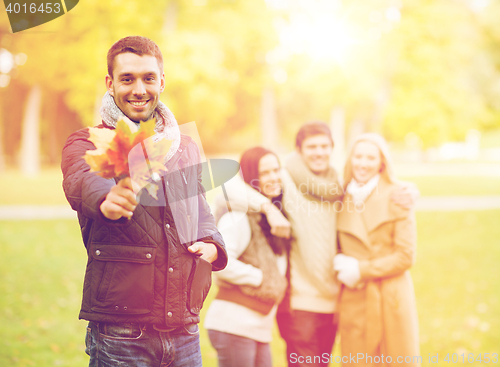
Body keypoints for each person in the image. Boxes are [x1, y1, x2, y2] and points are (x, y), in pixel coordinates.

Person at [61, 36, 228, 367]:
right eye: (127, 78)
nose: (139, 89)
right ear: (110, 83)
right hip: (121, 334)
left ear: (161, 81)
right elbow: (81, 180)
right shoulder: (89, 140)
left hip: (184, 329)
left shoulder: (185, 147)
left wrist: (213, 244)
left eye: (148, 78)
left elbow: (201, 212)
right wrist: (107, 199)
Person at [223, 122, 416, 367]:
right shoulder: (286, 179)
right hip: (299, 305)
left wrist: (409, 190)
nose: (318, 152)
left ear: (333, 149)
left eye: (324, 146)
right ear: (299, 150)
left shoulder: (341, 186)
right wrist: (268, 207)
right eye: (311, 146)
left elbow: (379, 191)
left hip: (335, 302)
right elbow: (230, 188)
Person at [334, 133, 420, 366]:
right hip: (355, 297)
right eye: (358, 156)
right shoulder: (340, 196)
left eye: (370, 158)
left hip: (390, 297)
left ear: (381, 162)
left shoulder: (399, 195)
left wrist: (361, 270)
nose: (363, 163)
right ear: (350, 159)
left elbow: (405, 256)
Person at [204, 147, 290, 367]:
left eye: (276, 170)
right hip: (233, 325)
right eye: (264, 173)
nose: (273, 177)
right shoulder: (238, 216)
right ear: (251, 178)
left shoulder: (270, 216)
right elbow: (220, 261)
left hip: (257, 329)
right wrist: (262, 278)